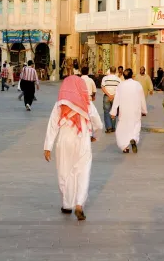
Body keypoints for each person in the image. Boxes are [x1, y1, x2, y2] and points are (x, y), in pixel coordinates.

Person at [44, 75, 103, 221]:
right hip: (82, 140)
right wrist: (96, 135)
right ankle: (78, 204)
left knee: (65, 171)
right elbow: (98, 124)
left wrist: (47, 147)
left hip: (64, 141)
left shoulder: (60, 103)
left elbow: (53, 125)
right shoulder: (87, 103)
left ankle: (67, 204)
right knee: (82, 172)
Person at [110, 68, 147, 154]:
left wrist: (113, 112)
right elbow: (142, 98)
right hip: (135, 111)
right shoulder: (137, 85)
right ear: (132, 75)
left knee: (122, 129)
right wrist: (144, 110)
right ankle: (134, 138)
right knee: (136, 125)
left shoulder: (120, 85)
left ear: (123, 75)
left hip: (124, 111)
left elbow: (116, 100)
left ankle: (124, 147)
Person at [101, 66, 121, 133]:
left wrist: (109, 95)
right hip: (115, 97)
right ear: (115, 71)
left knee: (106, 112)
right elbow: (120, 89)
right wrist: (113, 95)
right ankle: (113, 127)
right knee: (114, 111)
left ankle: (108, 127)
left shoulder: (105, 78)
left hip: (107, 96)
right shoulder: (118, 79)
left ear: (109, 70)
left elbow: (102, 87)